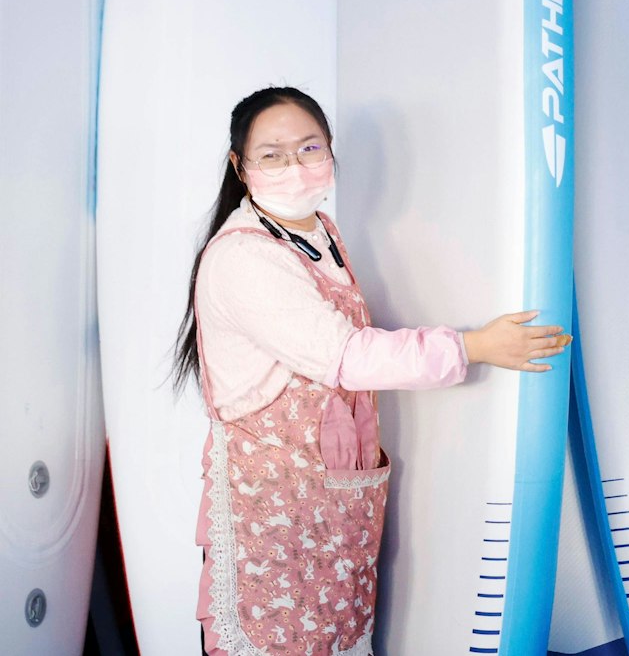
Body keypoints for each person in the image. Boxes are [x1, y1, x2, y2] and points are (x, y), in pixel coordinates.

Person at [170, 87, 571, 655]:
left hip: (329, 515)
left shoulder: (322, 233)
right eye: (272, 154)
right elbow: (349, 357)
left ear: (330, 153)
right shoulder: (244, 258)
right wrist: (475, 345)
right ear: (241, 166)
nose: (295, 167)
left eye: (309, 148)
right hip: (274, 522)